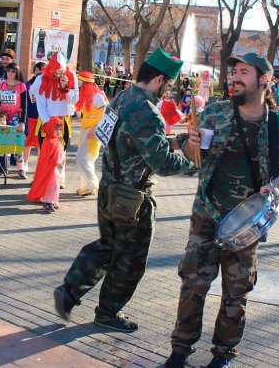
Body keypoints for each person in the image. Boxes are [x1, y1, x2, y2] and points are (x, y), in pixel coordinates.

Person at [165, 53, 279, 368]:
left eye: (244, 72)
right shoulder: (214, 113)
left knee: (236, 294)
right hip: (207, 214)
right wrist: (190, 145)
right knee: (192, 286)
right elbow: (190, 150)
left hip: (246, 226)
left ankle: (223, 356)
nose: (235, 78)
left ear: (264, 80)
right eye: (234, 72)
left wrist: (278, 183)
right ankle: (180, 352)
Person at [53, 47, 197, 333]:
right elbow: (163, 163)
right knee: (130, 260)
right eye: (168, 85)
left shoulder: (121, 98)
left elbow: (116, 139)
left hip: (110, 188)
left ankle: (69, 291)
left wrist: (176, 140)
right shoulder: (147, 111)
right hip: (133, 198)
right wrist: (194, 163)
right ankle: (107, 312)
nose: (167, 92)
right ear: (158, 79)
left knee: (108, 247)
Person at [30, 51, 79, 189]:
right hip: (47, 121)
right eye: (56, 71)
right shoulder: (41, 79)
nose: (58, 74)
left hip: (63, 121)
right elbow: (38, 101)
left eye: (61, 71)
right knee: (44, 153)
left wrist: (66, 88)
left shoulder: (71, 76)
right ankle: (42, 179)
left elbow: (75, 100)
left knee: (61, 153)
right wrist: (48, 123)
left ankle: (59, 180)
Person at [75, 71, 108, 197]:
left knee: (82, 158)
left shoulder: (97, 96)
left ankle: (93, 184)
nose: (78, 85)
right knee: (86, 160)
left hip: (93, 132)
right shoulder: (86, 96)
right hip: (85, 130)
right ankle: (86, 187)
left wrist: (96, 129)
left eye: (80, 82)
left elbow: (107, 114)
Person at [27, 117, 64, 212]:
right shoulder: (48, 141)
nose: (58, 131)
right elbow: (45, 158)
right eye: (56, 129)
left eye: (60, 129)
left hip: (53, 167)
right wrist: (56, 163)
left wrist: (60, 162)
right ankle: (47, 201)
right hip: (49, 168)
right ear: (50, 128)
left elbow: (59, 153)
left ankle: (52, 200)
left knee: (55, 184)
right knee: (51, 184)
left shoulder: (56, 140)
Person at [0, 64, 28, 178]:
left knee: (17, 141)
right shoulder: (1, 85)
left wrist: (22, 122)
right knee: (2, 141)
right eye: (8, 70)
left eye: (13, 71)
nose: (10, 73)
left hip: (15, 116)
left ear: (17, 73)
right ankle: (3, 167)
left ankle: (21, 168)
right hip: (2, 117)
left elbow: (25, 106)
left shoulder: (21, 86)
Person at [23, 62, 45, 172]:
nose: (38, 72)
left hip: (43, 118)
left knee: (41, 143)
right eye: (36, 70)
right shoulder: (27, 84)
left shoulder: (47, 84)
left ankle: (39, 166)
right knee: (27, 141)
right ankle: (24, 163)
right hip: (30, 116)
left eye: (41, 70)